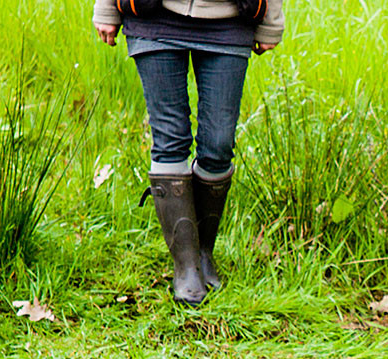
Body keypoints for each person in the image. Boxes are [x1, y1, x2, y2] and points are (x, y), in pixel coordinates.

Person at [92, 0, 284, 305]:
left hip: (229, 22)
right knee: (170, 139)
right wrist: (106, 8)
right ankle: (186, 267)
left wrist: (271, 20)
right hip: (154, 17)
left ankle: (203, 251)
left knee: (219, 145)